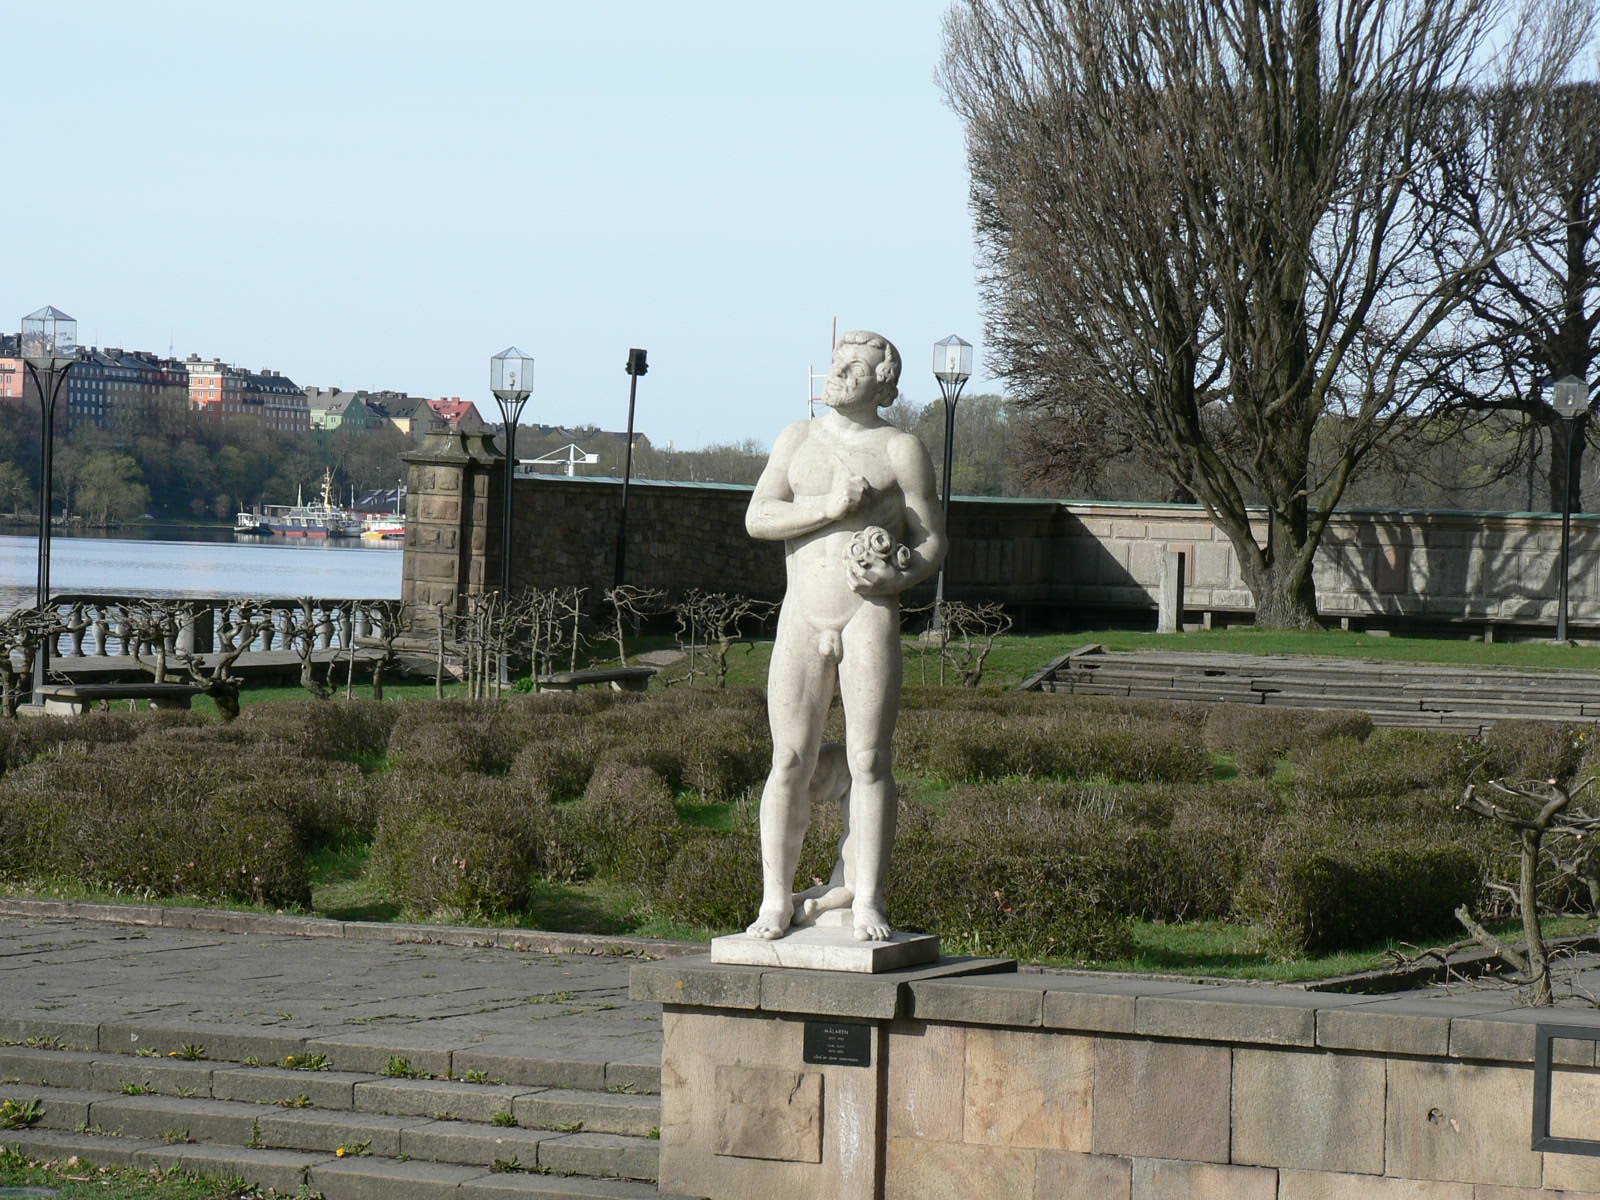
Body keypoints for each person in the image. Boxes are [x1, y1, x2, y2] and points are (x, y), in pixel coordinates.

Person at [743, 330, 946, 942]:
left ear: (883, 384)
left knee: (869, 760)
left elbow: (932, 539)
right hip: (803, 612)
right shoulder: (797, 437)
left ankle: (868, 901)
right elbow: (759, 517)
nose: (839, 372)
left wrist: (900, 574)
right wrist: (831, 508)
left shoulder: (900, 449)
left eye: (854, 365)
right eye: (837, 362)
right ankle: (775, 900)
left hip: (868, 614)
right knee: (788, 759)